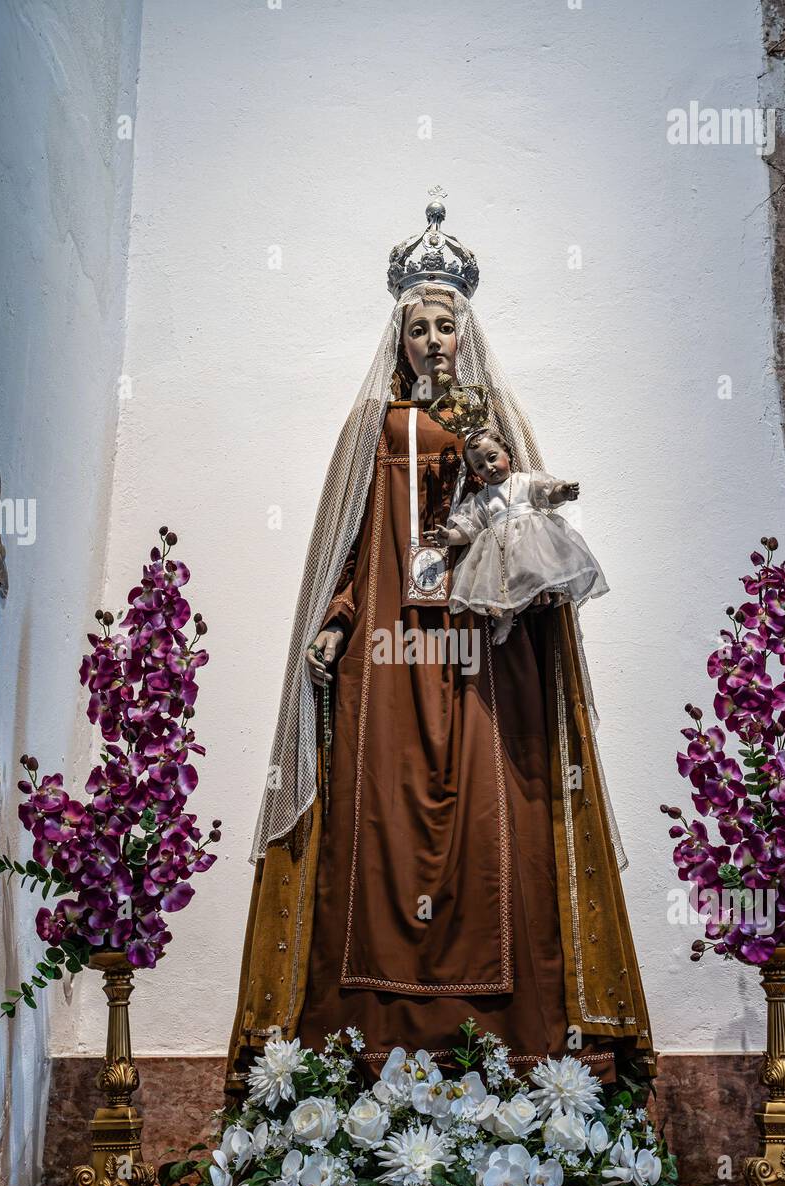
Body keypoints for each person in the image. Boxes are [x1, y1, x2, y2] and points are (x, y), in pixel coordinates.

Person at [225, 199, 655, 1098]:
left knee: (498, 833)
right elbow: (351, 546)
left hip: (481, 660)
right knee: (375, 832)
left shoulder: (496, 422)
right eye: (417, 325)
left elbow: (525, 529)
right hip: (387, 667)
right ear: (399, 338)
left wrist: (500, 468)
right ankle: (357, 1057)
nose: (432, 338)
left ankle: (523, 1056)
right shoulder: (373, 433)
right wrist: (338, 620)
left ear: (467, 332)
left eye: (445, 322)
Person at [427, 425, 605, 645]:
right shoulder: (481, 499)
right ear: (475, 473)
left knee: (536, 570)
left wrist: (563, 492)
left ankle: (547, 595)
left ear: (507, 453)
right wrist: (450, 536)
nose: (489, 468)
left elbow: (548, 494)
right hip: (500, 548)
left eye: (492, 458)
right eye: (480, 466)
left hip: (531, 540)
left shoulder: (524, 481)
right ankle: (506, 615)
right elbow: (468, 529)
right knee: (501, 583)